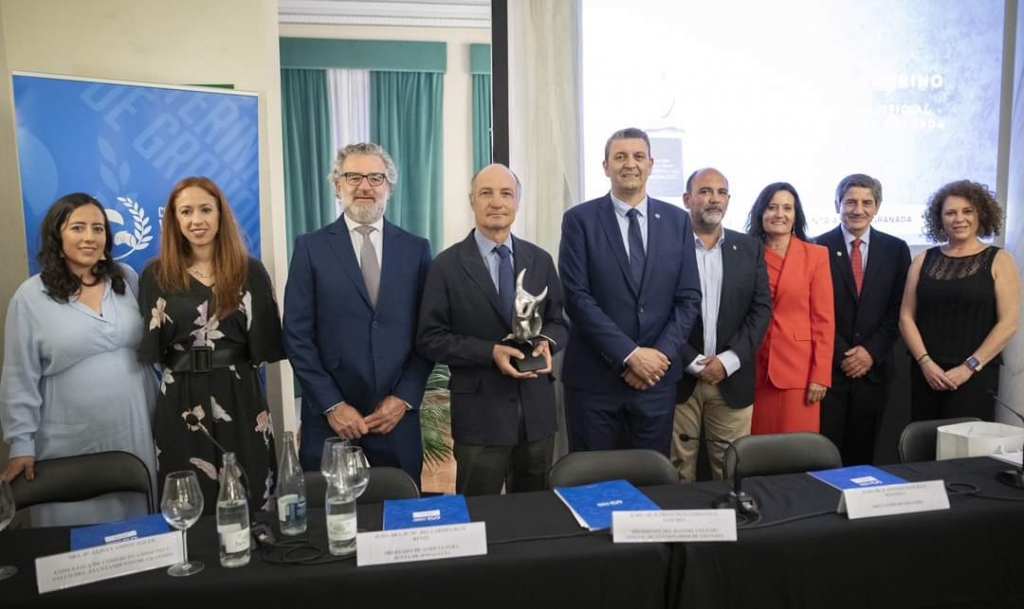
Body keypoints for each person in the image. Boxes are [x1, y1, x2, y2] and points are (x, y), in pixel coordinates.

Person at [0, 193, 156, 526]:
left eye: (98, 229)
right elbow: (18, 375)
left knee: (138, 526)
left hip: (135, 426)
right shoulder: (30, 296)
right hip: (68, 435)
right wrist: (20, 443)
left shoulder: (126, 278)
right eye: (78, 228)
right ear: (58, 237)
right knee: (74, 531)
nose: (90, 237)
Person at [284, 142, 432, 484]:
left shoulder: (416, 249)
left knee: (397, 519)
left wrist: (404, 398)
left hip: (395, 419)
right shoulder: (311, 248)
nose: (364, 186)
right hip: (330, 420)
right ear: (338, 186)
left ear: (389, 187)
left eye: (375, 178)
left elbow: (429, 333)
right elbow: (296, 335)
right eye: (353, 176)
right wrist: (333, 405)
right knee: (329, 524)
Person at [417, 164, 568, 495]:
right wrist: (490, 352)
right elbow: (430, 339)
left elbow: (559, 321)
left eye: (506, 194)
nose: (496, 202)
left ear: (517, 202)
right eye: (486, 193)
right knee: (478, 516)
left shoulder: (540, 259)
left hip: (536, 414)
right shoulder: (446, 265)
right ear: (472, 201)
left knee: (534, 518)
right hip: (479, 417)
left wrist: (547, 343)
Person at [139, 177, 285, 513]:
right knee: (187, 494)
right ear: (174, 220)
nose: (196, 220)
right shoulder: (155, 274)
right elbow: (154, 348)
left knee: (251, 485)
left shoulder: (251, 270)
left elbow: (264, 345)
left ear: (221, 215)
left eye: (205, 209)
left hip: (240, 393)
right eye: (186, 211)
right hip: (180, 398)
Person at [559, 127, 701, 455]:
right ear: (606, 166)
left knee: (650, 485)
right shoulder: (579, 220)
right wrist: (631, 355)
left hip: (655, 383)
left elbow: (688, 297)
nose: (630, 164)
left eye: (638, 156)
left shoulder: (678, 221)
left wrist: (659, 357)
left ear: (651, 164)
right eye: (620, 157)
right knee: (595, 486)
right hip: (594, 383)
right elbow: (577, 298)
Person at [672, 169, 771, 482]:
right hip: (679, 378)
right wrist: (691, 361)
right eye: (704, 191)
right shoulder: (667, 246)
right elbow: (658, 310)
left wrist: (728, 361)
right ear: (687, 199)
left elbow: (760, 310)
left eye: (721, 192)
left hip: (732, 379)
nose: (713, 198)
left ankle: (731, 528)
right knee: (677, 470)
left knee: (730, 470)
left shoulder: (750, 248)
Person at [899, 180, 1019, 422]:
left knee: (966, 454)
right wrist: (925, 363)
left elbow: (1008, 324)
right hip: (927, 374)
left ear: (981, 214)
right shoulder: (923, 259)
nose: (959, 219)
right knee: (924, 449)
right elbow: (906, 317)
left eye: (967, 211)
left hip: (975, 376)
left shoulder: (999, 259)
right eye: (950, 213)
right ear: (940, 219)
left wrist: (968, 368)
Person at [816, 174, 910, 465]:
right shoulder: (817, 247)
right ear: (837, 205)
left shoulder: (896, 250)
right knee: (825, 453)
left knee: (863, 454)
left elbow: (899, 308)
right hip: (829, 371)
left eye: (866, 202)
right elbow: (813, 310)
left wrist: (870, 352)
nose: (858, 209)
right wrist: (842, 353)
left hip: (874, 370)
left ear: (877, 207)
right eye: (850, 202)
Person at [745, 182, 834, 435]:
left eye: (787, 208)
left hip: (800, 372)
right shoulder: (747, 253)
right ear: (761, 213)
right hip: (754, 370)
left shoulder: (816, 255)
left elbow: (824, 321)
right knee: (757, 453)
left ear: (796, 216)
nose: (779, 214)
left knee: (797, 453)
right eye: (772, 207)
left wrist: (820, 375)